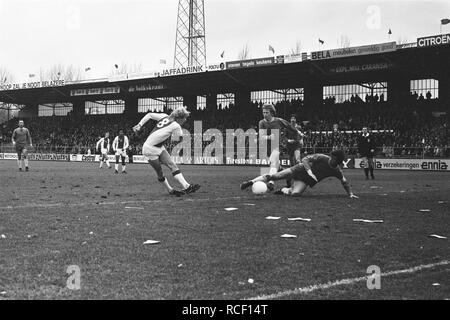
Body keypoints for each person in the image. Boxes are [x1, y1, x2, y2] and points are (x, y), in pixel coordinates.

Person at [132, 106, 200, 196]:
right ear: (179, 118)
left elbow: (149, 115)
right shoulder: (176, 126)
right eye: (185, 118)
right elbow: (178, 140)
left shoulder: (164, 116)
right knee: (160, 172)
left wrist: (140, 125)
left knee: (172, 165)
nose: (185, 120)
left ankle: (186, 186)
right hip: (149, 149)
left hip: (159, 147)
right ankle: (170, 190)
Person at [241, 150, 358, 198]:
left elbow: (344, 181)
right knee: (274, 176)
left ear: (337, 161)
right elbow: (305, 159)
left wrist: (350, 194)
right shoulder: (322, 158)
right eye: (331, 156)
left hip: (305, 181)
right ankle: (250, 182)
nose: (330, 158)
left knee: (295, 194)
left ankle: (283, 190)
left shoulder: (336, 170)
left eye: (333, 158)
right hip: (300, 169)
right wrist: (309, 171)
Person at [258, 104, 298, 191]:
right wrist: (269, 137)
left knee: (273, 162)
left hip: (276, 146)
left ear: (271, 113)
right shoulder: (262, 123)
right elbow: (261, 136)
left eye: (267, 112)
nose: (265, 114)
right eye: (263, 112)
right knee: (277, 167)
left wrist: (298, 135)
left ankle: (271, 182)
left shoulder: (279, 121)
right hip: (267, 148)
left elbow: (290, 127)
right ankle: (288, 176)